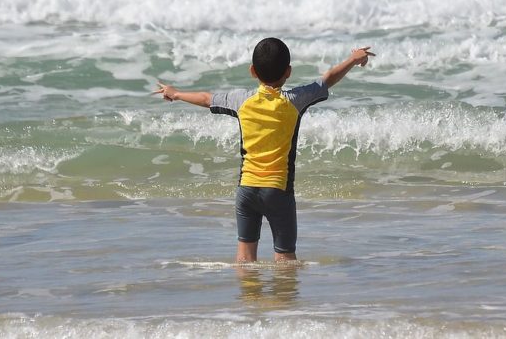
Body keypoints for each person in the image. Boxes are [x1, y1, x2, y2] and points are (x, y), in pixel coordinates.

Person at [153, 37, 374, 263]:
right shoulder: (295, 100)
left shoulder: (241, 100)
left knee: (245, 259)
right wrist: (353, 59)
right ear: (288, 72)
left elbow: (206, 99)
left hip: (246, 190)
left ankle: (249, 298)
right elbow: (327, 80)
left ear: (252, 71)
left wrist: (176, 93)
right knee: (285, 259)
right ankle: (283, 297)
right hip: (278, 191)